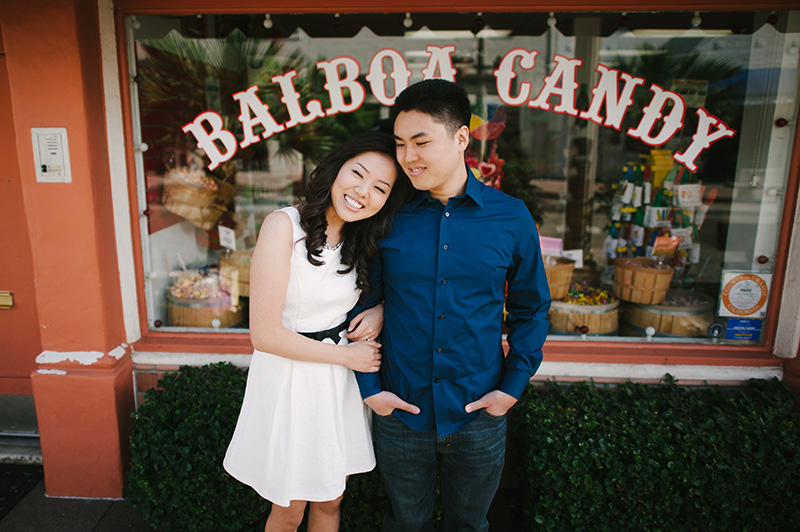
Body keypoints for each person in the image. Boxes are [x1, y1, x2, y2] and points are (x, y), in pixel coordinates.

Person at [350, 79, 551, 532]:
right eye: (401, 144)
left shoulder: (511, 216)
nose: (408, 156)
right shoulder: (387, 213)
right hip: (401, 410)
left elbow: (531, 308)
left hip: (478, 411)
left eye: (421, 142)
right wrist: (372, 391)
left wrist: (511, 389)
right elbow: (362, 303)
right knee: (405, 525)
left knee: (470, 525)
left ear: (461, 138)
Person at [223, 131, 412, 532]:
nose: (363, 192)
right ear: (335, 169)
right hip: (291, 378)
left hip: (335, 385)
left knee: (330, 500)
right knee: (289, 510)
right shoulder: (282, 226)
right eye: (357, 174)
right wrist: (346, 356)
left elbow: (379, 294)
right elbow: (265, 335)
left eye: (379, 188)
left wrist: (378, 309)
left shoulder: (362, 238)